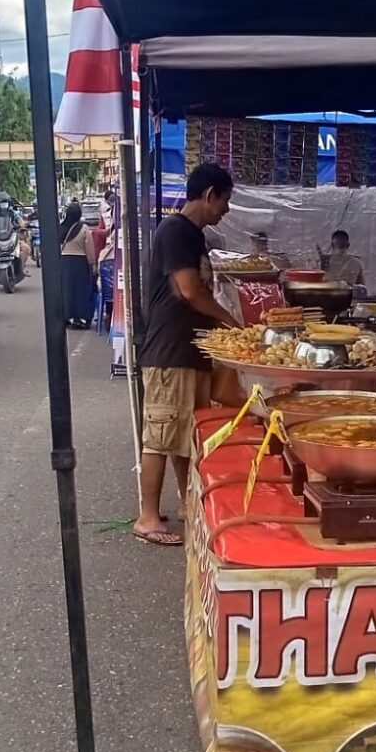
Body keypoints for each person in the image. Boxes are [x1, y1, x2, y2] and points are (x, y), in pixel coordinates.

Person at [133, 162, 239, 547]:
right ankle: (147, 517)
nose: (226, 210)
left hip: (188, 350)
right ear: (209, 194)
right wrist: (231, 323)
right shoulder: (177, 232)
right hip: (169, 351)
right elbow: (189, 291)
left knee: (183, 434)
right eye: (225, 201)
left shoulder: (193, 235)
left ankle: (187, 501)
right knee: (160, 436)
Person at [59, 202, 96, 328]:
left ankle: (66, 316)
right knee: (80, 291)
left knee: (66, 290)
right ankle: (80, 318)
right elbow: (90, 248)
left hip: (64, 262)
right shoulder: (84, 228)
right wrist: (93, 263)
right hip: (80, 263)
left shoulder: (61, 227)